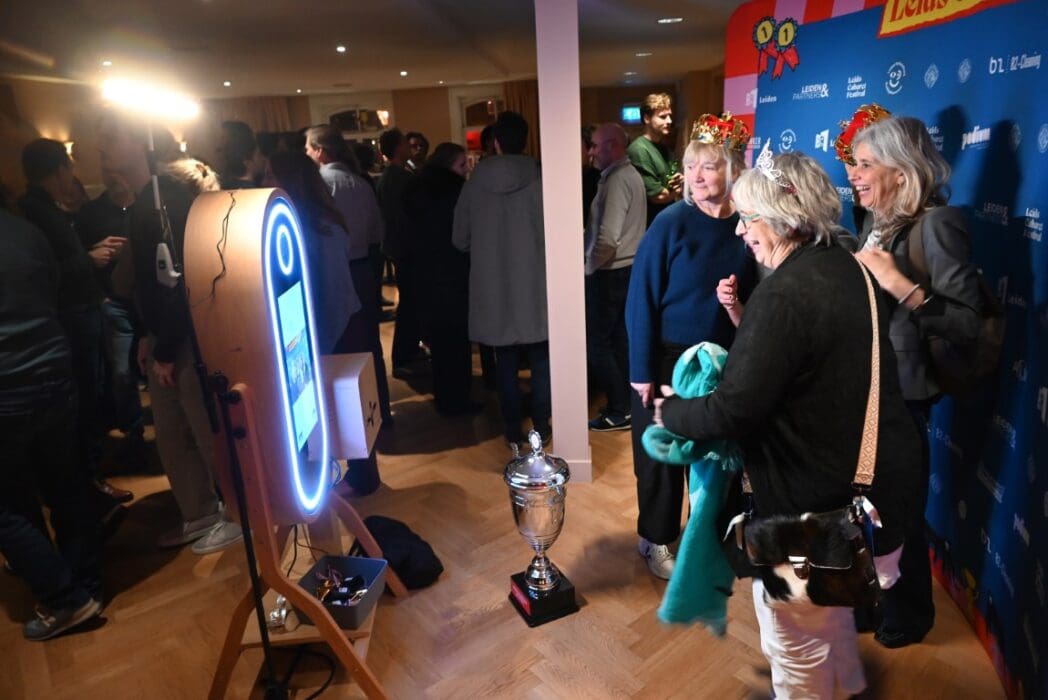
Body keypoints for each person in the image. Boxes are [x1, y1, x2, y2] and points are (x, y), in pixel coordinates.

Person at [656, 147, 921, 698]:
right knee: (827, 634)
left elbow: (733, 408)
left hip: (817, 524)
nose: (741, 231)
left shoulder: (784, 292)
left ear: (782, 218)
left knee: (795, 661)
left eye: (748, 218)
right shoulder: (849, 267)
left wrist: (670, 410)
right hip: (877, 505)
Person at [851, 116, 983, 648]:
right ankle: (873, 596)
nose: (854, 175)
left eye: (865, 165)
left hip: (905, 395)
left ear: (902, 173)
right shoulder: (875, 221)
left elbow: (967, 323)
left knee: (898, 507)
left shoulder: (938, 224)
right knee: (868, 506)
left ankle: (910, 613)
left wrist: (901, 285)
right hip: (865, 388)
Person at [97, 112, 243, 554]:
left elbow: (184, 283)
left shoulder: (166, 203)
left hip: (184, 339)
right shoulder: (148, 201)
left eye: (112, 137)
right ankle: (200, 512)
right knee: (174, 431)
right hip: (166, 337)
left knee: (204, 427)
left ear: (140, 143)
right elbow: (152, 283)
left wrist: (165, 346)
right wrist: (148, 336)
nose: (102, 147)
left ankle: (237, 514)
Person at [625, 113, 756, 579]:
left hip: (722, 362)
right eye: (691, 166)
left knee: (717, 457)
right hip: (666, 359)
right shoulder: (670, 223)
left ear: (732, 169)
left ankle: (715, 540)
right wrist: (641, 372)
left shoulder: (748, 226)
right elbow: (640, 300)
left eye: (709, 166)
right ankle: (656, 538)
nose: (696, 176)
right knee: (661, 458)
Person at [0, 208, 104, 640]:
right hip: (54, 368)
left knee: (7, 504)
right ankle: (85, 584)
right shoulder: (25, 229)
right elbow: (55, 292)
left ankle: (64, 598)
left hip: (6, 384)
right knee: (65, 484)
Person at [18, 138, 133, 507]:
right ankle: (90, 485)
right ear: (58, 171)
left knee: (93, 393)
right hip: (72, 319)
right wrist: (89, 258)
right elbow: (45, 272)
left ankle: (90, 482)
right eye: (69, 167)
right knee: (86, 398)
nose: (73, 175)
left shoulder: (41, 209)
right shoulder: (34, 212)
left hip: (81, 314)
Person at [453, 111, 550, 449]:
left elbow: (459, 239)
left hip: (494, 284)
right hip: (536, 281)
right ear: (526, 140)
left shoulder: (474, 184)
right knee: (541, 359)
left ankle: (512, 429)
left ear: (495, 142)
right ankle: (542, 424)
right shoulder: (542, 179)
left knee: (504, 362)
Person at [303, 125, 392, 423]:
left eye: (308, 148)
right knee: (370, 343)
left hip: (337, 271)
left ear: (320, 151)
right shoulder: (361, 183)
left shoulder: (319, 185)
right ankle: (379, 409)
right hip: (363, 269)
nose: (306, 153)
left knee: (339, 344)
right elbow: (377, 231)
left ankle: (347, 419)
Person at [405, 143, 478, 415]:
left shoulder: (416, 190)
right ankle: (460, 399)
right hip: (454, 273)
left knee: (440, 342)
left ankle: (445, 398)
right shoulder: (457, 193)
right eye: (462, 164)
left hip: (426, 274)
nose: (466, 169)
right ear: (449, 166)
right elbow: (464, 236)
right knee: (458, 340)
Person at [585, 123, 646, 432]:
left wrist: (588, 266)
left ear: (612, 146)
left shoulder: (618, 180)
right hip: (625, 270)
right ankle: (625, 407)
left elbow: (608, 239)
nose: (591, 152)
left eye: (595, 145)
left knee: (598, 343)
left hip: (611, 272)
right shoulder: (627, 175)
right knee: (619, 341)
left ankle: (619, 409)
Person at [376, 128, 423, 376]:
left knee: (411, 301)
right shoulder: (398, 178)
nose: (409, 147)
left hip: (400, 246)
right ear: (397, 148)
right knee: (410, 303)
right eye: (405, 143)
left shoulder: (393, 176)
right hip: (406, 247)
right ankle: (403, 358)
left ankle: (409, 352)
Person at [627, 93, 681, 225]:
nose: (669, 121)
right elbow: (657, 196)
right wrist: (677, 190)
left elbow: (672, 180)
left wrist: (678, 182)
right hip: (651, 224)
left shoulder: (664, 148)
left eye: (669, 116)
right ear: (647, 118)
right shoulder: (639, 149)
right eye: (662, 117)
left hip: (667, 221)